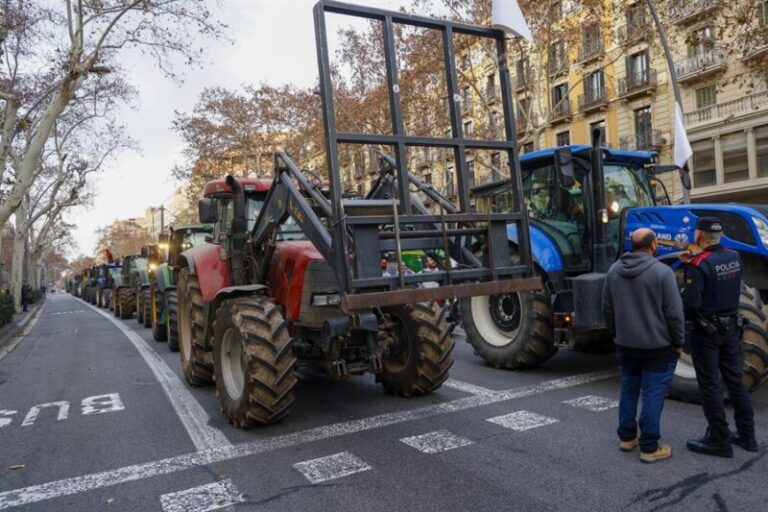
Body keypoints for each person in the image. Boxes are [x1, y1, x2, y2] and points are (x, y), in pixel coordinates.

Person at [603, 228, 684, 463]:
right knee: (653, 393)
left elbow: (607, 307)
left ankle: (627, 437)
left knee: (629, 388)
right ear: (654, 245)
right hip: (658, 347)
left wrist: (614, 333)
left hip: (627, 345)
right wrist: (679, 341)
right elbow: (674, 314)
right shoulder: (663, 272)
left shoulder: (613, 271)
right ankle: (649, 447)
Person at [681, 217, 757, 457]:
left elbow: (692, 303)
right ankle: (747, 436)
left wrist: (687, 277)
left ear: (699, 235)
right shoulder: (734, 257)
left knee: (710, 384)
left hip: (706, 333)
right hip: (731, 329)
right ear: (721, 235)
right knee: (735, 381)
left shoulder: (698, 264)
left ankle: (718, 439)